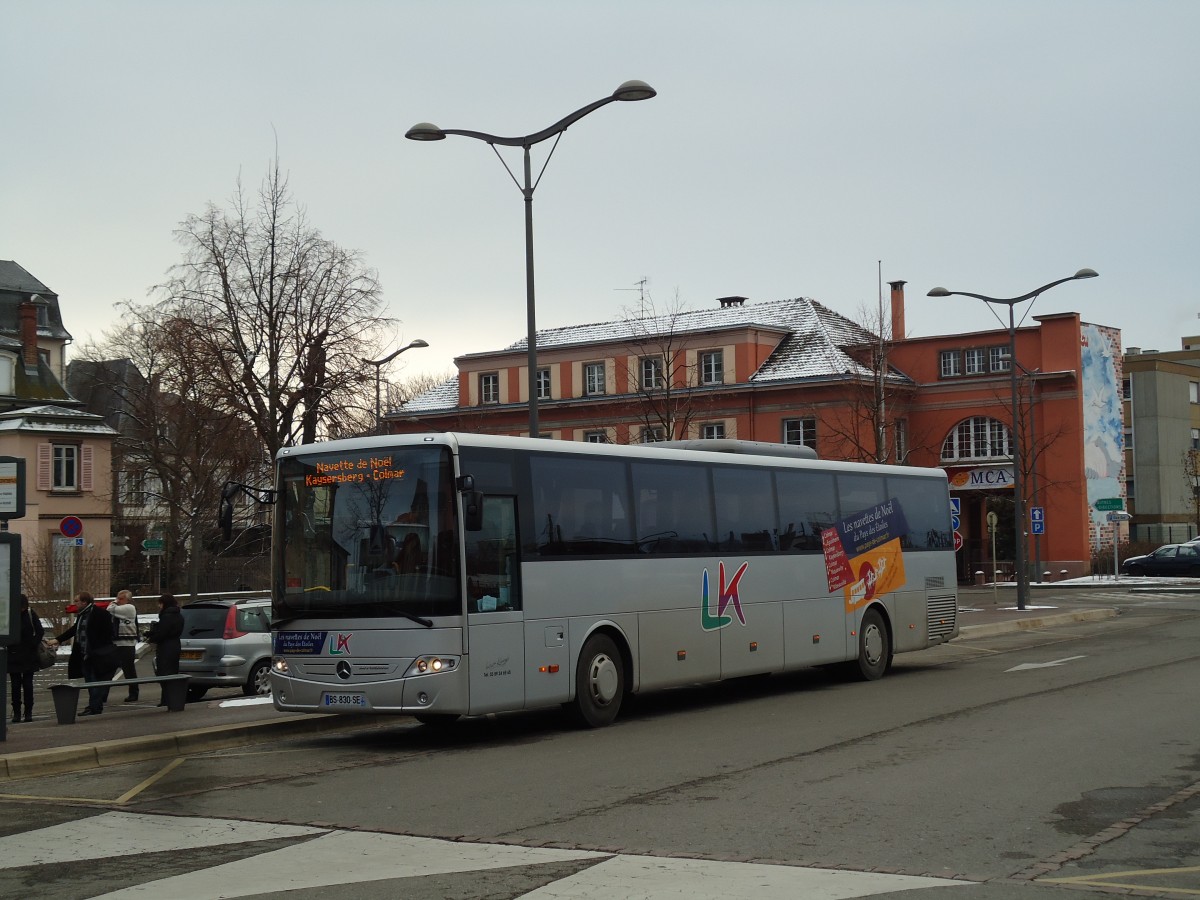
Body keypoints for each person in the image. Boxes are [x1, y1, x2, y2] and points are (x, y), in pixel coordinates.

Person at [53, 591, 118, 716]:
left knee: (94, 681)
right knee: (90, 681)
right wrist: (58, 639)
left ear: (84, 602)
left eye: (77, 601)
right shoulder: (82, 615)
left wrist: (97, 650)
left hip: (95, 655)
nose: (75, 603)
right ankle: (94, 706)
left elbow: (109, 633)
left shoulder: (99, 614)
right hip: (84, 654)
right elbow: (75, 630)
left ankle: (94, 707)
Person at [7, 594, 44, 723]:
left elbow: (39, 631)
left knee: (27, 685)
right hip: (14, 654)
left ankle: (28, 712)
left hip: (27, 654)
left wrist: (33, 644)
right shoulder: (11, 615)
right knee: (16, 686)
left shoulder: (30, 614)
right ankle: (17, 712)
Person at [145, 593, 183, 706]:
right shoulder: (178, 615)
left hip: (166, 647)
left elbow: (163, 633)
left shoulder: (166, 616)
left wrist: (152, 638)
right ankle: (169, 699)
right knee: (171, 673)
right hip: (175, 645)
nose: (159, 606)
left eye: (160, 604)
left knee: (164, 674)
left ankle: (166, 700)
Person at [109, 590, 140, 702]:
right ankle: (102, 694)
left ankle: (134, 693)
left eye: (121, 599)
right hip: (117, 643)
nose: (118, 600)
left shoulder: (129, 608)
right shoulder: (120, 610)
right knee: (110, 669)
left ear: (128, 600)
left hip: (127, 644)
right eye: (117, 598)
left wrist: (114, 601)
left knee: (129, 670)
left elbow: (111, 609)